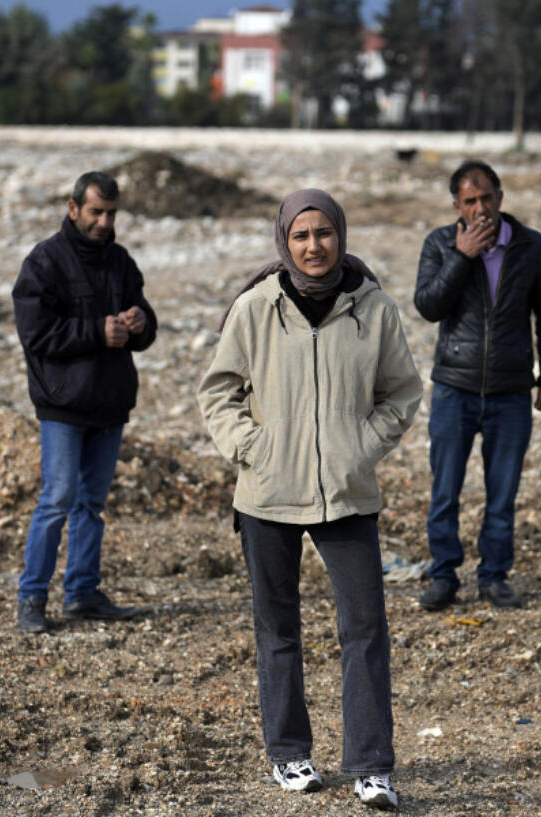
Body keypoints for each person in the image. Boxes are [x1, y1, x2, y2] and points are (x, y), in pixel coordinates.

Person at [198, 189, 422, 810]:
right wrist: (254, 447)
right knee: (278, 628)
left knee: (365, 628)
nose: (313, 246)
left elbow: (401, 393)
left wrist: (360, 447)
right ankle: (289, 754)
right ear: (284, 241)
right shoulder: (255, 308)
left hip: (348, 494)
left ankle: (372, 767)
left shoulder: (372, 309)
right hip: (268, 492)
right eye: (300, 236)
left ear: (340, 236)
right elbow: (218, 391)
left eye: (323, 233)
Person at [413, 159, 541, 612]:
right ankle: (443, 576)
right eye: (470, 201)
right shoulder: (440, 244)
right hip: (453, 388)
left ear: (501, 197)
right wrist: (462, 256)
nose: (481, 208)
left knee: (502, 493)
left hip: (510, 391)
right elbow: (428, 306)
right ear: (456, 205)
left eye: (487, 198)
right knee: (445, 491)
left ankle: (494, 576)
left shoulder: (532, 247)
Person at [11, 171, 158, 633]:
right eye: (96, 211)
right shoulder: (44, 262)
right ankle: (32, 599)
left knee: (91, 504)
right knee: (57, 499)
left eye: (111, 213)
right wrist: (97, 331)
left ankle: (82, 594)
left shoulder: (121, 261)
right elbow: (34, 334)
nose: (104, 221)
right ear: (73, 209)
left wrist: (139, 322)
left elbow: (148, 327)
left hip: (110, 402)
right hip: (64, 405)